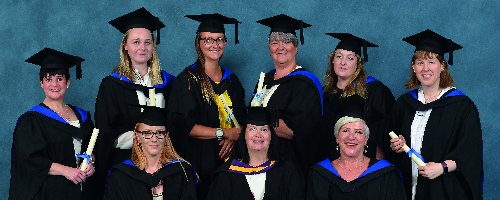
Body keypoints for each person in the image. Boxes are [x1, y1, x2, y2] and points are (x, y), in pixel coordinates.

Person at [384, 29, 483, 200]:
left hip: (445, 190)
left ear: (443, 66)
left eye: (431, 62)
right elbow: (390, 147)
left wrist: (442, 167)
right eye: (420, 63)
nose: (426, 68)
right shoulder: (404, 104)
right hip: (407, 188)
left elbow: (471, 152)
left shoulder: (461, 106)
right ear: (413, 67)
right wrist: (396, 147)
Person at [94, 7, 176, 199]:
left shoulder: (169, 83)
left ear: (153, 47)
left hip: (163, 164)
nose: (142, 48)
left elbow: (176, 123)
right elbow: (107, 132)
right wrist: (148, 139)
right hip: (126, 165)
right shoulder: (112, 85)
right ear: (125, 46)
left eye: (148, 42)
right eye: (136, 42)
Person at [167, 13, 245, 199]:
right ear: (199, 42)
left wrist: (235, 138)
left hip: (231, 160)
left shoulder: (232, 80)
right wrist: (226, 133)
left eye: (219, 40)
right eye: (208, 39)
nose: (214, 45)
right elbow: (185, 126)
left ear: (225, 43)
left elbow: (243, 119)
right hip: (199, 161)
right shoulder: (187, 80)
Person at [10, 48, 95, 200]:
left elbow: (91, 148)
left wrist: (91, 162)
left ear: (68, 82)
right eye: (48, 79)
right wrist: (66, 170)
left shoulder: (83, 117)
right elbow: (29, 159)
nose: (54, 84)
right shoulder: (32, 120)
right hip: (50, 192)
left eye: (60, 78)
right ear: (41, 83)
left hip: (81, 189)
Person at [250, 14, 323, 175]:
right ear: (269, 48)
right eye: (274, 42)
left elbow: (294, 130)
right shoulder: (264, 81)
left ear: (296, 47)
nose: (280, 47)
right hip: (258, 162)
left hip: (287, 167)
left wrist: (254, 122)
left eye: (287, 41)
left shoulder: (305, 84)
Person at [307, 95, 406, 199]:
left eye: (358, 132)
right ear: (337, 137)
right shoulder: (319, 174)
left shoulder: (386, 175)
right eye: (345, 130)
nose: (351, 137)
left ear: (366, 139)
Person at [322, 33, 395, 161]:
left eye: (350, 58)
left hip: (366, 167)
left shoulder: (374, 90)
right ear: (333, 60)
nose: (343, 62)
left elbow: (382, 136)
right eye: (339, 56)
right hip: (332, 165)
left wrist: (378, 170)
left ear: (358, 64)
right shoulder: (325, 94)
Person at [206, 106, 304, 200]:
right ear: (244, 134)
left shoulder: (288, 170)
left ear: (271, 136)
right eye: (252, 129)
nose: (258, 134)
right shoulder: (225, 175)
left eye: (264, 129)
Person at [105, 106, 197, 200]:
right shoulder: (121, 176)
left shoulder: (181, 173)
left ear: (166, 136)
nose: (154, 139)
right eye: (147, 133)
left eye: (160, 133)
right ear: (137, 136)